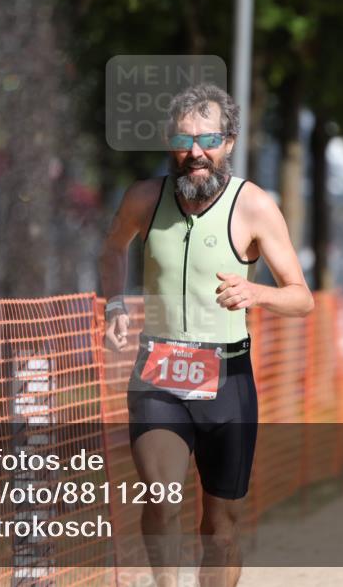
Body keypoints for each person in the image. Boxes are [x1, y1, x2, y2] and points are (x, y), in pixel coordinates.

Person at [98, 83, 314, 587]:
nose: (195, 152)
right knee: (161, 497)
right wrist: (113, 301)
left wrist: (256, 295)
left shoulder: (254, 207)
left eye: (208, 138)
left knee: (220, 527)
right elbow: (112, 249)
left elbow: (301, 297)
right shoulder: (144, 198)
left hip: (228, 381)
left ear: (230, 142)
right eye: (183, 138)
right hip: (158, 374)